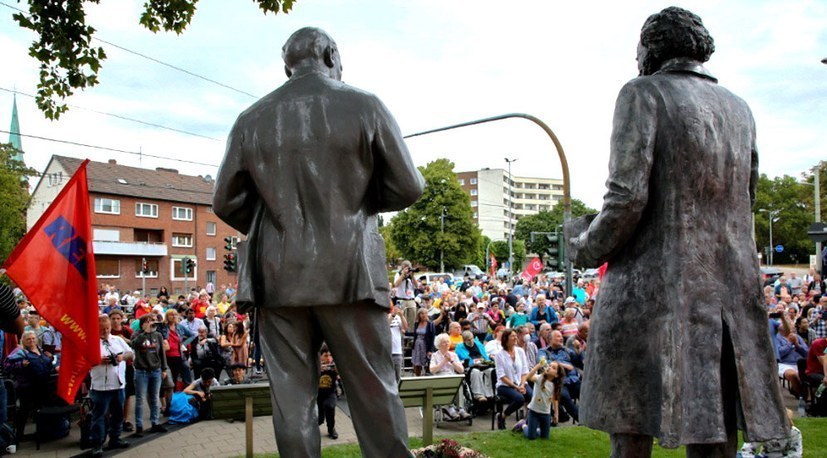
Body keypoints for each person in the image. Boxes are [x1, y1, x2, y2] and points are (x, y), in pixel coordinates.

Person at [564, 7, 789, 455]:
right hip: (726, 294)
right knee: (714, 428)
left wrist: (585, 246)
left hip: (651, 293)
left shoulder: (641, 93)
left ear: (651, 49)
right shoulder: (739, 109)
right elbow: (747, 195)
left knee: (631, 430)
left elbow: (626, 197)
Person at [213, 26, 423, 458]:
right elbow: (408, 186)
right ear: (329, 54)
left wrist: (273, 222)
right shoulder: (366, 106)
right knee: (373, 391)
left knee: (291, 402)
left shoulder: (250, 119)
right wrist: (357, 205)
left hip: (277, 278)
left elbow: (225, 200)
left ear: (287, 64)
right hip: (350, 272)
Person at [88, 314, 133, 456]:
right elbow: (83, 362)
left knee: (118, 414)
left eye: (107, 328)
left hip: (118, 385)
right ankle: (97, 443)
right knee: (99, 416)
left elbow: (131, 353)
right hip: (100, 386)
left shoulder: (117, 340)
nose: (105, 331)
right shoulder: (91, 343)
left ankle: (115, 438)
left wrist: (121, 357)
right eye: (102, 329)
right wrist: (97, 360)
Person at [4, 330, 54, 444]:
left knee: (41, 410)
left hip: (41, 386)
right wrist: (21, 364)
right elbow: (6, 365)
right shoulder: (20, 351)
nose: (31, 341)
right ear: (24, 341)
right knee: (24, 411)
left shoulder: (41, 351)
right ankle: (19, 437)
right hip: (26, 387)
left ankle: (42, 434)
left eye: (33, 338)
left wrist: (50, 358)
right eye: (28, 339)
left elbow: (47, 365)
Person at [132, 314, 169, 436]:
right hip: (141, 371)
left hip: (155, 370)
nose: (153, 323)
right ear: (143, 323)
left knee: (154, 397)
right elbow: (134, 345)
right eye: (150, 321)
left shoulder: (158, 335)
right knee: (140, 399)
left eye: (154, 321)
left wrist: (164, 368)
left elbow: (162, 353)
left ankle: (155, 422)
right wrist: (145, 332)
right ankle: (139, 426)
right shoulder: (137, 335)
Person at [513, 361, 563, 440]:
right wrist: (538, 366)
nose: (549, 367)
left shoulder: (555, 386)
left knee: (545, 437)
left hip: (546, 413)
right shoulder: (540, 378)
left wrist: (556, 414)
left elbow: (555, 400)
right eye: (549, 365)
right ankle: (523, 425)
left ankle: (535, 429)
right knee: (531, 437)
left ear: (556, 375)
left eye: (553, 368)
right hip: (534, 412)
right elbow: (528, 377)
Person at [494, 328, 531, 430]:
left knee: (531, 395)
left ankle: (528, 421)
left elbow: (524, 370)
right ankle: (502, 416)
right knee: (519, 399)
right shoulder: (499, 355)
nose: (516, 338)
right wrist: (516, 387)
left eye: (516, 336)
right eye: (513, 336)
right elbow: (501, 375)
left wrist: (522, 385)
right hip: (505, 385)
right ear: (506, 339)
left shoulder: (520, 351)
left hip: (521, 383)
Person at [429, 333, 470, 420]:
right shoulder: (435, 355)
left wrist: (451, 361)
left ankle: (461, 409)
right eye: (444, 342)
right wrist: (443, 361)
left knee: (459, 383)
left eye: (448, 341)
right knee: (447, 383)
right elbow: (432, 370)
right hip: (440, 377)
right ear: (439, 345)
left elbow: (461, 370)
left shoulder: (454, 355)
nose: (447, 343)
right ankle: (449, 408)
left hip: (453, 376)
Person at [317, 347, 339, 439]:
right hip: (318, 395)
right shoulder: (316, 366)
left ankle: (331, 429)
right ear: (320, 356)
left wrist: (337, 370)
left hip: (330, 393)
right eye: (326, 356)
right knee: (320, 418)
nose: (328, 358)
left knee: (329, 406)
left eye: (330, 355)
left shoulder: (334, 366)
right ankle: (321, 419)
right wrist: (318, 370)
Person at [410, 308, 435, 376]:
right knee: (417, 364)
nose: (424, 315)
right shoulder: (416, 323)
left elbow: (432, 338)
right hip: (417, 345)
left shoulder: (430, 324)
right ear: (419, 315)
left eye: (425, 313)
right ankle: (418, 377)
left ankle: (426, 377)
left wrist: (430, 350)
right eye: (422, 313)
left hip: (425, 345)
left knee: (426, 363)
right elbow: (415, 334)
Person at [389, 306, 408, 383]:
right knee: (388, 375)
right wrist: (393, 315)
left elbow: (405, 328)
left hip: (397, 351)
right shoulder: (383, 316)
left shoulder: (398, 317)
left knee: (397, 377)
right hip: (387, 351)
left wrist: (402, 316)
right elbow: (386, 324)